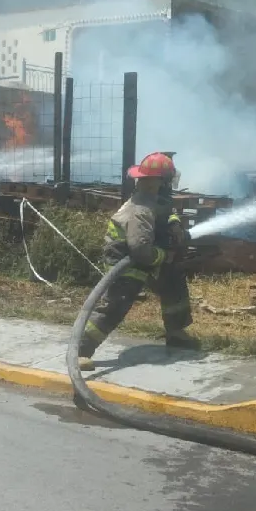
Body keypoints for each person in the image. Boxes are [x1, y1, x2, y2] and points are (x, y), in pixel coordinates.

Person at [78, 152, 201, 371]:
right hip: (125, 259)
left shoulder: (154, 200)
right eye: (167, 180)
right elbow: (140, 250)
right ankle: (81, 350)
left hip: (145, 254)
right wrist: (165, 255)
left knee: (173, 282)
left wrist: (173, 225)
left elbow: (165, 214)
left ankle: (176, 334)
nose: (169, 184)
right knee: (117, 304)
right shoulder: (140, 210)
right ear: (158, 182)